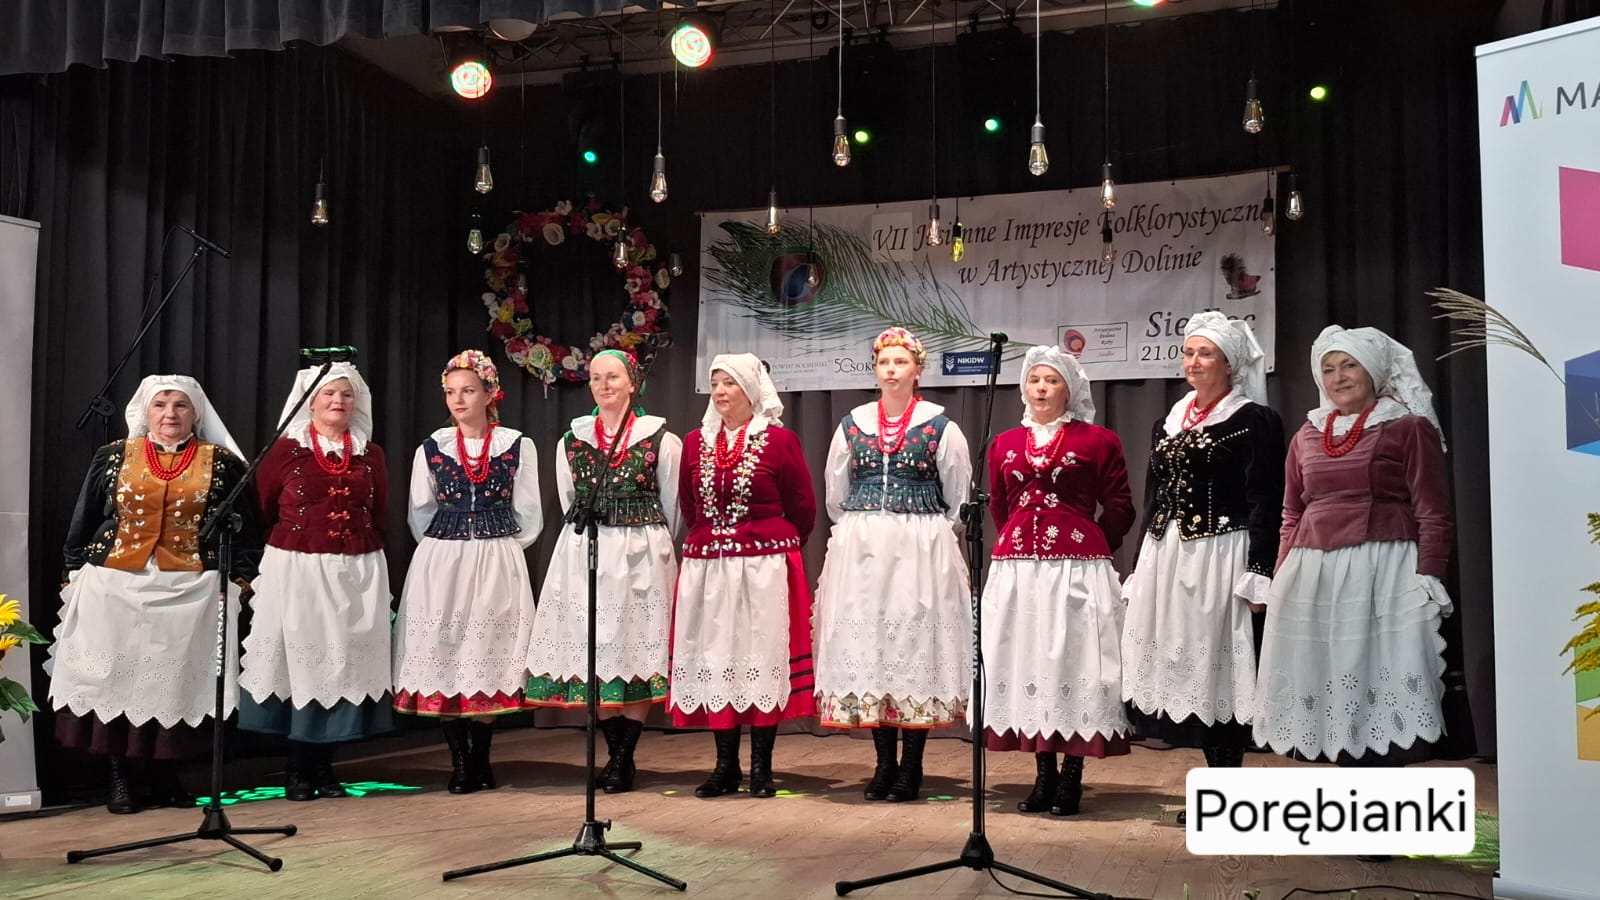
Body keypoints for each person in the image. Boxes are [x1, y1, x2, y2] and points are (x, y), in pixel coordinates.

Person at [51, 374, 260, 814]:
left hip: (189, 589)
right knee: (115, 678)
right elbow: (84, 518)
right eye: (160, 405)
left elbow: (249, 528)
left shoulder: (222, 462)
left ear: (196, 414)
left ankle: (166, 775)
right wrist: (71, 570)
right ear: (145, 412)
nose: (170, 414)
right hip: (114, 585)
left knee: (172, 682)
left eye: (180, 405)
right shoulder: (113, 456)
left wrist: (240, 580)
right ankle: (120, 777)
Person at [1255, 325, 1453, 767]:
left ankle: (1382, 787)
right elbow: (1291, 512)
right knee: (1323, 677)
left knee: (1379, 676)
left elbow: (1433, 509)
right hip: (1314, 570)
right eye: (1328, 369)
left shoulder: (1408, 428)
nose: (1338, 377)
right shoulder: (1307, 435)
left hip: (1383, 566)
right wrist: (1281, 574)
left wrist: (1430, 572)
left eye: (1349, 365)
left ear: (1373, 372)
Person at [1119, 312, 1284, 821]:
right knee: (1190, 668)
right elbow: (1153, 497)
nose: (1193, 361)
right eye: (1188, 352)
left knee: (1221, 668)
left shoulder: (1253, 419)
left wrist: (1260, 569)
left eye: (1205, 353)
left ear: (1230, 363)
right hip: (1169, 554)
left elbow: (1266, 498)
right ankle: (1217, 790)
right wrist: (1140, 565)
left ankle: (1225, 794)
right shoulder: (1169, 420)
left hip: (1221, 553)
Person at [812, 328, 972, 802]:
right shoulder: (853, 424)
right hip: (862, 551)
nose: (891, 370)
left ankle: (912, 767)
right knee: (873, 646)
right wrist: (864, 530)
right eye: (884, 362)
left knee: (913, 645)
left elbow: (958, 498)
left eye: (901, 362)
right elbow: (836, 495)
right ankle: (884, 764)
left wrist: (923, 535)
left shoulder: (941, 426)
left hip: (919, 550)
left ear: (917, 370)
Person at [980, 346, 1135, 816]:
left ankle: (1071, 777)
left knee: (1073, 664)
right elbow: (999, 505)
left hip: (1077, 569)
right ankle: (1043, 775)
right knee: (1030, 664)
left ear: (1070, 390)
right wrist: (1017, 541)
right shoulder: (1004, 443)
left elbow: (1121, 505)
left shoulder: (1098, 441)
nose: (1042, 389)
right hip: (1019, 571)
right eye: (1035, 380)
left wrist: (1091, 541)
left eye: (1052, 381)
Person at [525, 349, 682, 793]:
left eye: (613, 376)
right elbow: (568, 498)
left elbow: (673, 507)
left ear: (633, 382)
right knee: (598, 650)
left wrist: (647, 542)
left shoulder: (661, 439)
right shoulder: (571, 440)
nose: (604, 385)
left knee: (635, 649)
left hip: (641, 556)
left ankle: (624, 756)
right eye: (596, 378)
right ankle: (618, 756)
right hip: (586, 554)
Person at [239, 363, 394, 801]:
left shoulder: (370, 454)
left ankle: (325, 767)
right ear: (309, 401)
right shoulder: (285, 451)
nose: (338, 401)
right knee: (302, 665)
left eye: (346, 394)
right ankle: (297, 769)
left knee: (341, 665)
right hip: (298, 569)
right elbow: (261, 506)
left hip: (357, 570)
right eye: (329, 393)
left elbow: (380, 511)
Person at [392, 349, 542, 793]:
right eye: (451, 392)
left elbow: (529, 513)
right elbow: (420, 511)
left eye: (468, 391)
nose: (458, 400)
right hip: (443, 561)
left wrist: (500, 550)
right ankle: (459, 761)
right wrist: (447, 549)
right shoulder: (432, 447)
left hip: (496, 559)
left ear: (490, 393)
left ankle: (481, 757)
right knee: (445, 649)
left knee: (487, 648)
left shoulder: (516, 444)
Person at [669, 353, 817, 799]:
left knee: (760, 656)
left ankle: (761, 768)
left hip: (762, 567)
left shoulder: (779, 441)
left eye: (729, 383)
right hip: (710, 568)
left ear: (751, 390)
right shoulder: (695, 442)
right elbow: (689, 505)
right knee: (718, 657)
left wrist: (771, 545)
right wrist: (713, 543)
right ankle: (725, 766)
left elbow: (803, 507)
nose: (719, 391)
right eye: (715, 382)